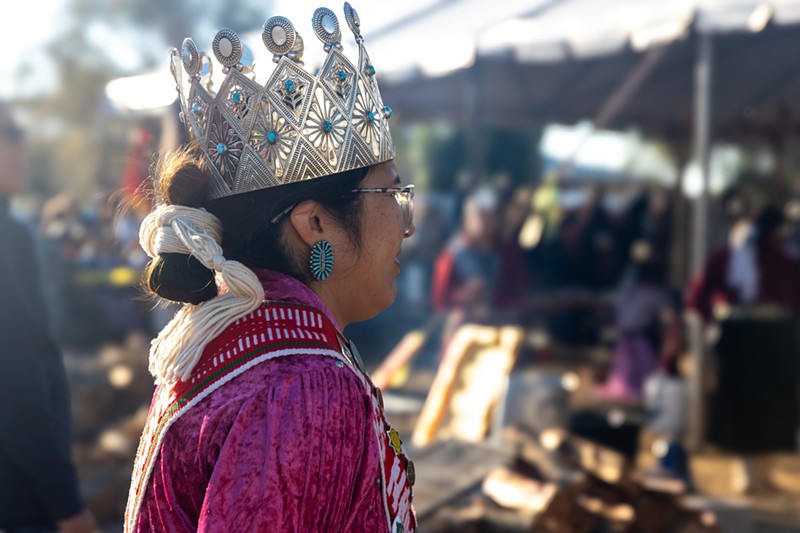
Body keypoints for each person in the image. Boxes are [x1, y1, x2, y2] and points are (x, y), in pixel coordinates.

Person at [125, 7, 417, 532]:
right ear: (315, 223)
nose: (405, 223)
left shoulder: (239, 341)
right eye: (391, 192)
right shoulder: (301, 385)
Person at [0, 104, 97, 532]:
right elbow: (14, 385)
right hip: (24, 499)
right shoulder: (9, 239)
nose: (23, 146)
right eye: (10, 133)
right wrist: (68, 506)